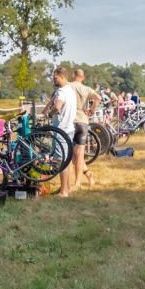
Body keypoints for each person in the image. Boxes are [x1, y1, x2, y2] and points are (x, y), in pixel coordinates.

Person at [44, 67, 79, 197]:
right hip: (69, 129)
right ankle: (66, 187)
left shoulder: (61, 92)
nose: (54, 80)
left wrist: (49, 114)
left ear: (62, 77)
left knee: (60, 161)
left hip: (61, 130)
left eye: (55, 78)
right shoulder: (70, 90)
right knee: (67, 160)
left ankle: (64, 192)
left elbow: (58, 106)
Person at [70, 69, 100, 189]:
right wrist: (92, 109)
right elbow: (98, 98)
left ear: (74, 75)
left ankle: (77, 182)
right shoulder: (87, 89)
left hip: (71, 120)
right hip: (83, 121)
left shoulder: (69, 86)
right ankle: (87, 174)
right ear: (83, 77)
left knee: (74, 155)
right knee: (78, 154)